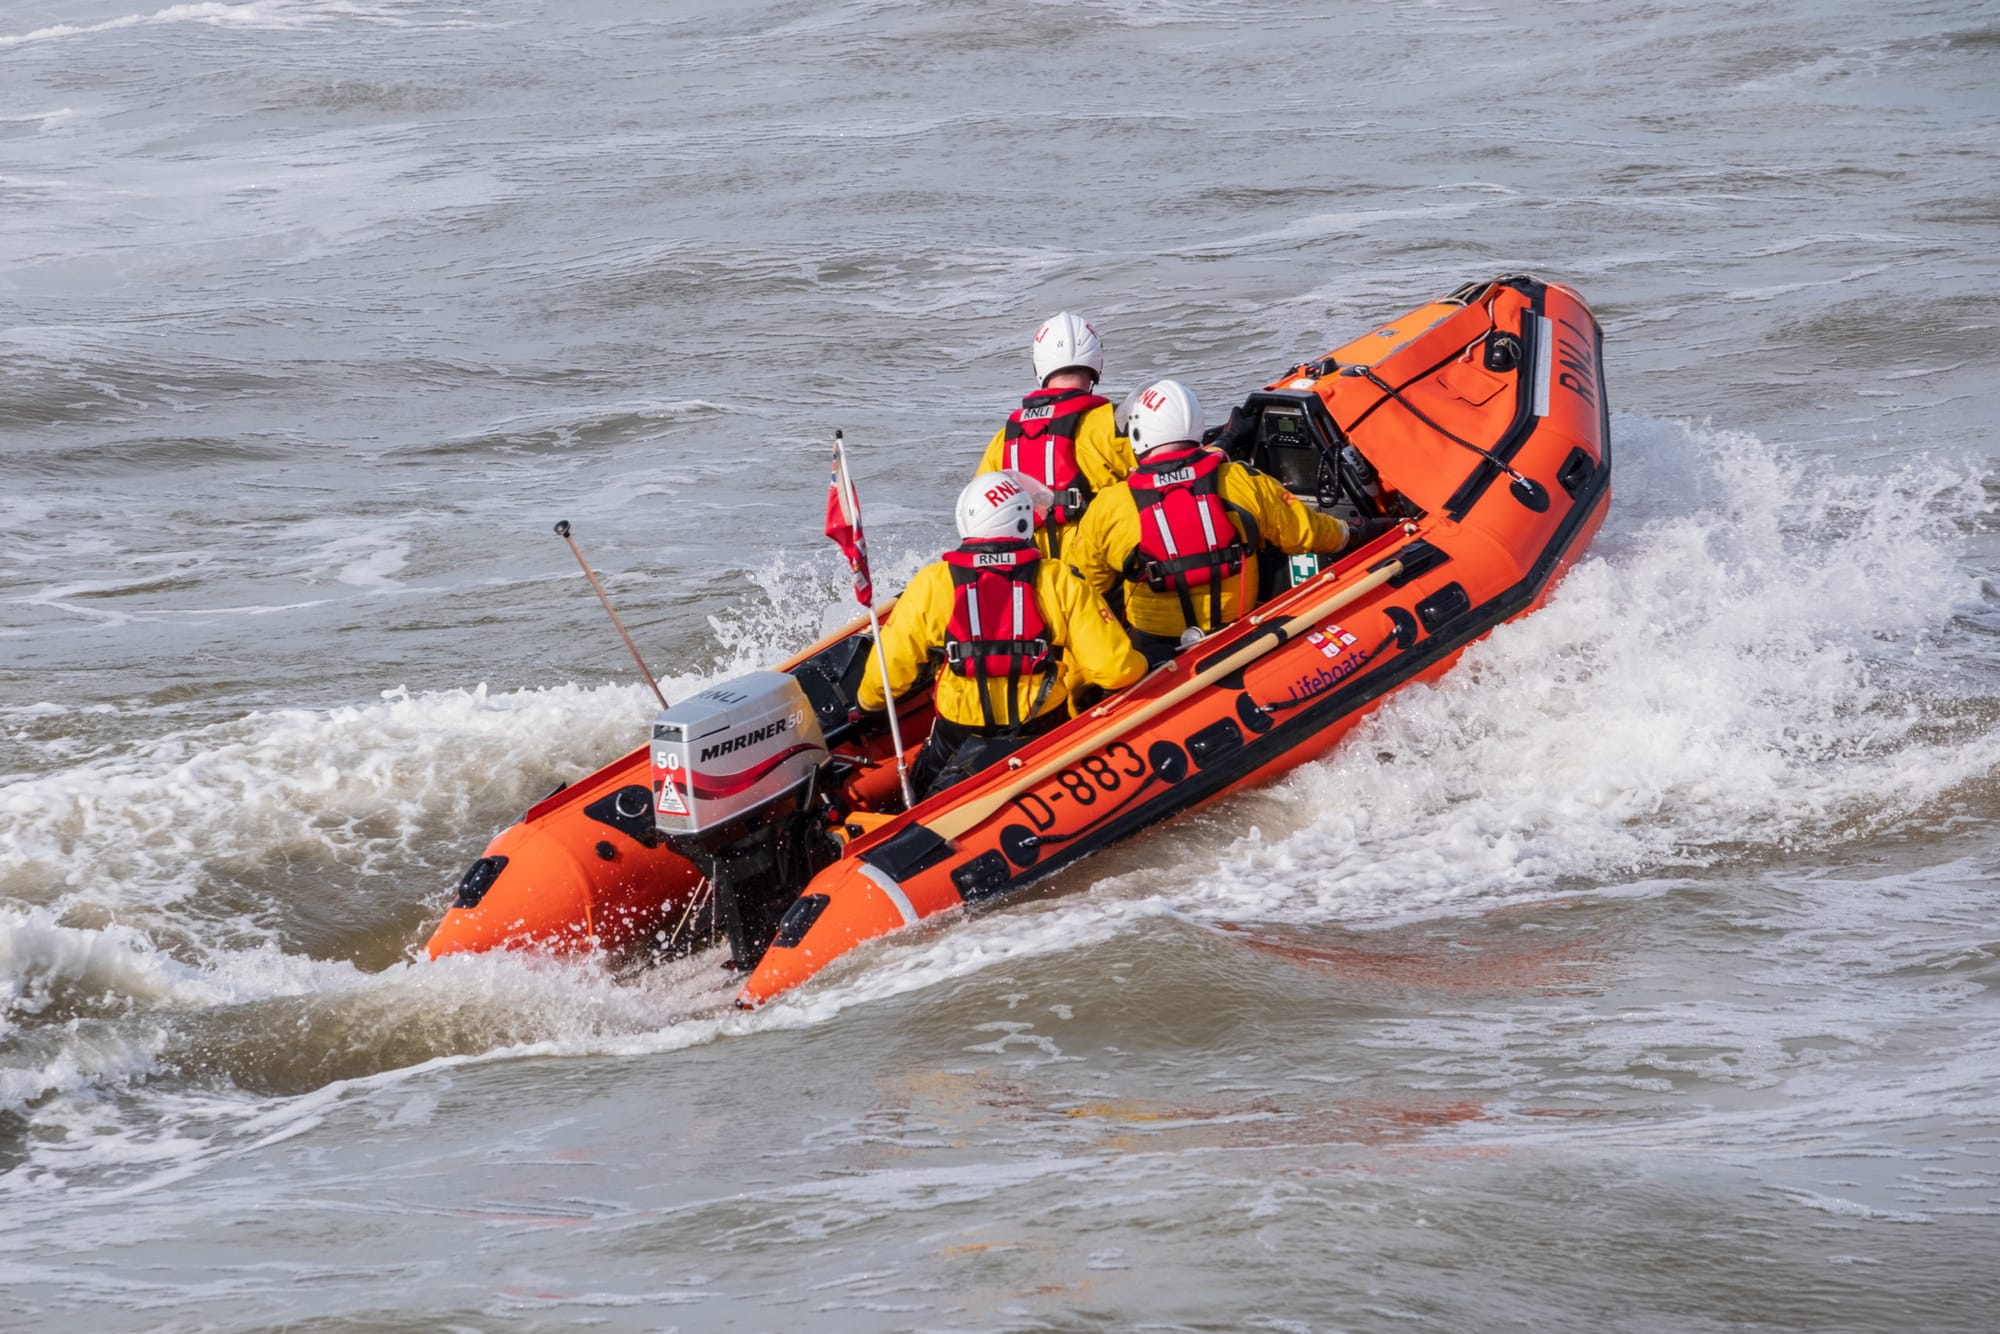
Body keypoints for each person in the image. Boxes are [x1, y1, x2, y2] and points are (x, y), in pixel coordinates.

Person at [857, 470, 1147, 800]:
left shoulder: (933, 583)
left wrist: (868, 704)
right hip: (1039, 731)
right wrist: (1146, 661)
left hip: (956, 733)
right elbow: (1115, 669)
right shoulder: (1059, 579)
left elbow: (888, 668)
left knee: (922, 792)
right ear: (1023, 522)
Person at [1070, 378, 1373, 665]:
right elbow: (1310, 534)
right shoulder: (1243, 482)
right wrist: (1357, 532)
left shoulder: (1109, 507)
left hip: (1153, 654)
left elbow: (1087, 588)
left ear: (1137, 434)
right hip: (1240, 636)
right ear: (1196, 429)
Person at [974, 312, 1136, 559]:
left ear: (1040, 365)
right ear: (1096, 363)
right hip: (1100, 572)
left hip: (1034, 575)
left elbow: (979, 513)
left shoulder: (1004, 439)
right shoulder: (1114, 424)